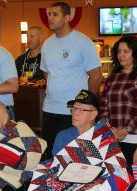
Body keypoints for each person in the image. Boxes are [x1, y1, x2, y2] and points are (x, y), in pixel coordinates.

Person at [40, 1, 103, 157]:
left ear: (67, 17)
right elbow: (47, 73)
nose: (50, 18)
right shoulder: (47, 44)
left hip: (73, 112)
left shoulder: (82, 42)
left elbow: (96, 76)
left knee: (74, 157)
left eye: (55, 14)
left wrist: (85, 104)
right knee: (49, 155)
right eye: (49, 14)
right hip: (49, 109)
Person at [100, 35, 137, 164]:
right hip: (113, 138)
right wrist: (111, 129)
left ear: (135, 53)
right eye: (119, 51)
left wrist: (127, 129)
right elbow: (103, 108)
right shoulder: (112, 77)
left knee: (134, 176)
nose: (121, 55)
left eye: (126, 51)